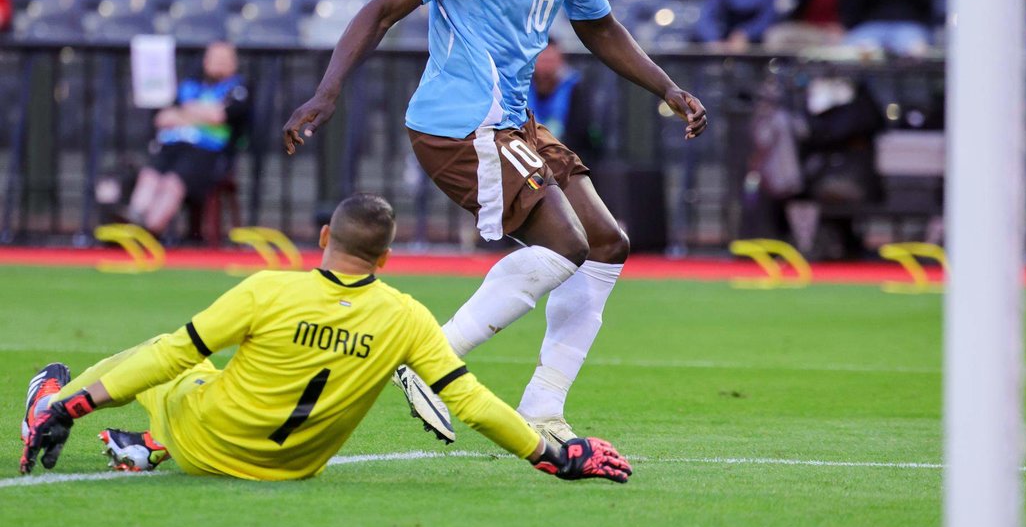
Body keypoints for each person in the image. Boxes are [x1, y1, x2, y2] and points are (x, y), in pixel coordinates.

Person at [283, 0, 707, 449]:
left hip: (514, 121)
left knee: (607, 243)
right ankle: (430, 358)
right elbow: (380, 8)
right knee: (565, 244)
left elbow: (600, 27)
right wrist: (326, 92)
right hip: (459, 123)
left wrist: (667, 88)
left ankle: (543, 405)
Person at [20, 193, 632, 485]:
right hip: (293, 466)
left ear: (321, 237)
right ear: (387, 257)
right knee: (195, 370)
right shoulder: (408, 317)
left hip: (211, 439)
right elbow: (470, 403)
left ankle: (48, 406)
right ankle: (145, 446)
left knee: (169, 358)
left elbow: (171, 356)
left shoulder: (267, 290)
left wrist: (76, 406)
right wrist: (552, 456)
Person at [127, 41, 249, 236]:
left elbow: (219, 116)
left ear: (233, 63)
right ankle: (132, 222)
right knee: (150, 175)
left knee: (172, 182)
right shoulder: (189, 86)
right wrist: (200, 113)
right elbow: (163, 117)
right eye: (214, 58)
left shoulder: (238, 89)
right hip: (174, 146)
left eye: (223, 59)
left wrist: (185, 113)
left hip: (208, 154)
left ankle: (149, 231)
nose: (218, 63)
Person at [528, 40, 602, 169]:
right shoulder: (522, 88)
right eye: (543, 60)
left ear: (560, 61)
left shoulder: (576, 88)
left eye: (551, 60)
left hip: (566, 157)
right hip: (528, 155)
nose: (547, 67)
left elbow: (581, 130)